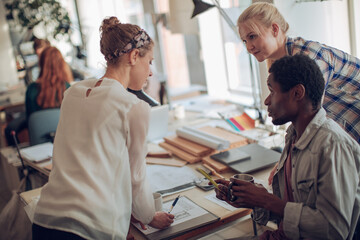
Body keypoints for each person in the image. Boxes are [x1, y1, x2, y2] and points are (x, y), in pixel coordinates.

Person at [32, 17, 174, 240]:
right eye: (150, 62)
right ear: (134, 56)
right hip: (88, 228)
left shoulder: (73, 93)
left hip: (45, 220)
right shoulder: (134, 107)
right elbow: (136, 178)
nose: (150, 73)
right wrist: (148, 215)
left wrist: (129, 210)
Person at [215, 54, 360, 239]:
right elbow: (289, 210)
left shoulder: (333, 146)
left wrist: (268, 200)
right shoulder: (293, 137)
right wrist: (253, 198)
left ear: (297, 93)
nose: (267, 101)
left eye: (272, 91)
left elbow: (333, 231)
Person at [237, 2, 360, 143]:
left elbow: (312, 122)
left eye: (252, 36)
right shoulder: (280, 66)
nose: (248, 47)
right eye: (245, 41)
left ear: (274, 29)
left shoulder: (309, 57)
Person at [4, 46, 72, 146]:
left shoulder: (31, 89)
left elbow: (30, 119)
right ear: (61, 63)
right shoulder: (67, 87)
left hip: (39, 144)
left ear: (41, 63)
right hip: (65, 141)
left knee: (10, 129)